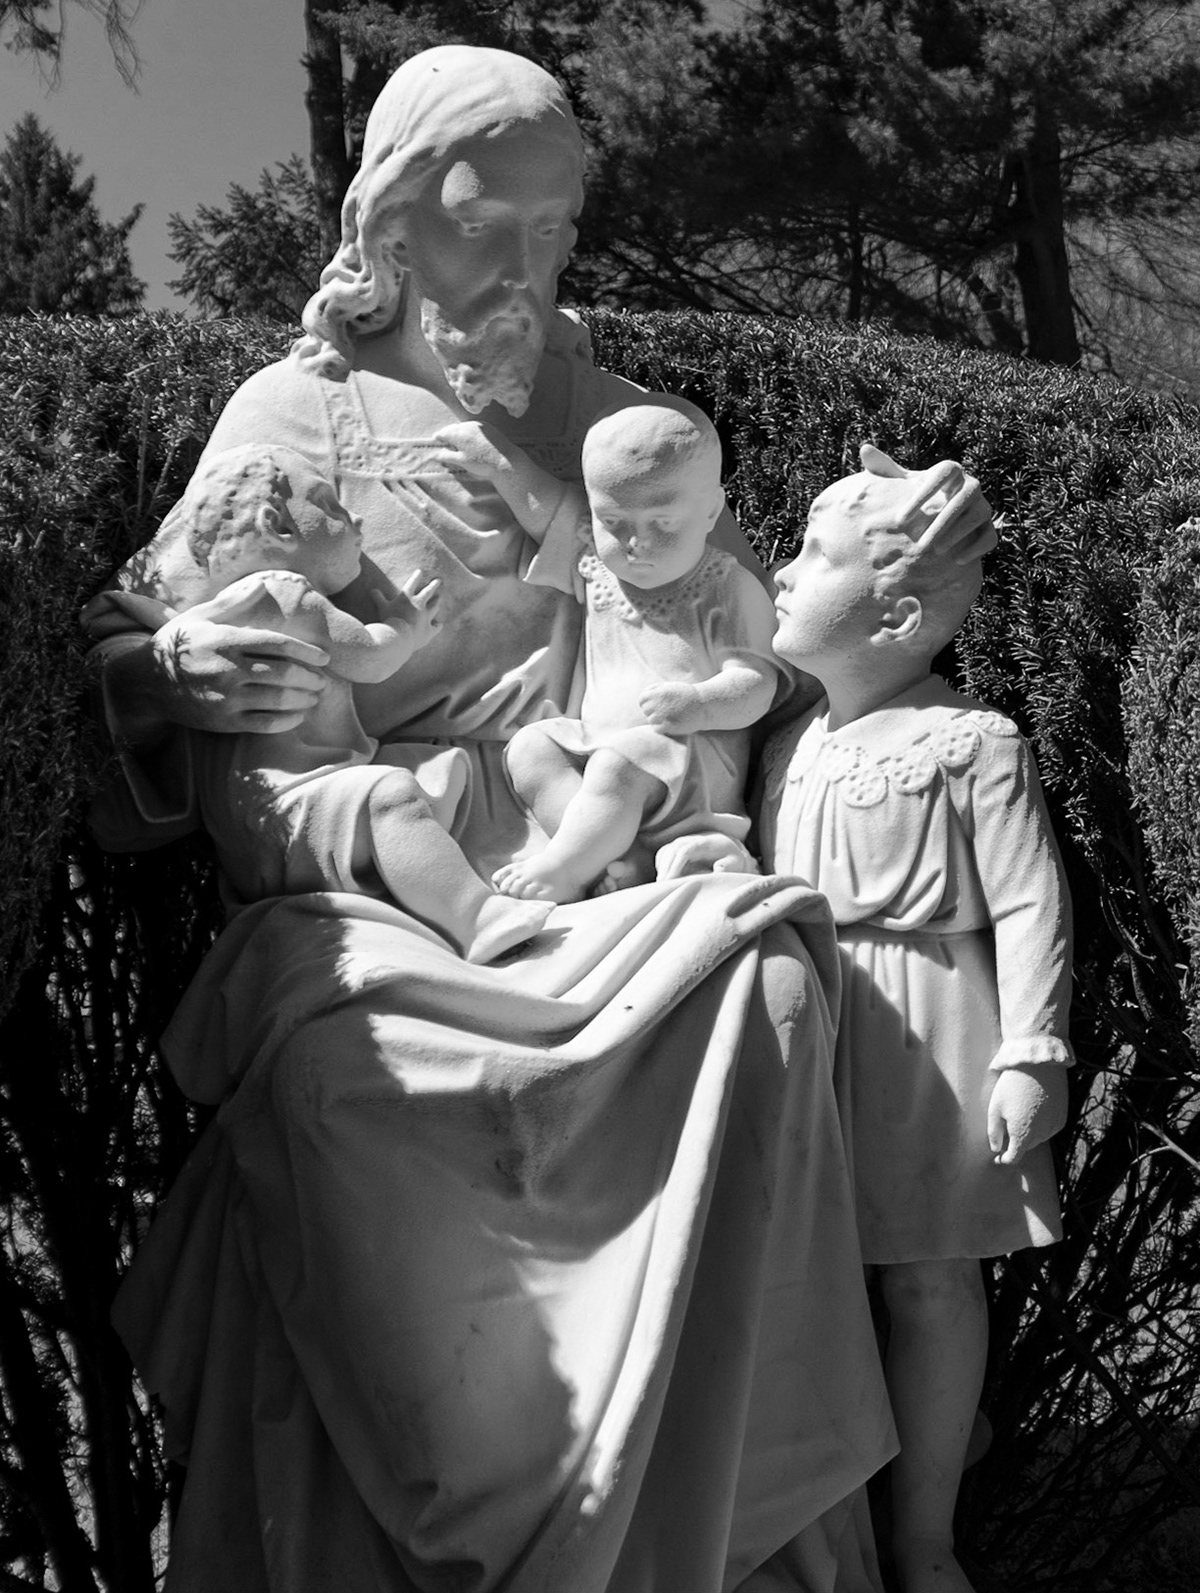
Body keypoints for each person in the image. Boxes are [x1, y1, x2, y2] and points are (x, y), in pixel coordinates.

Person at [85, 45, 988, 1593]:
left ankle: (722, 1548)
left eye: (551, 229)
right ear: (380, 228)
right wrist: (172, 665)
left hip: (601, 855)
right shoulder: (293, 413)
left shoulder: (626, 429)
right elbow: (146, 642)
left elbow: (740, 659)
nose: (516, 270)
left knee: (763, 984)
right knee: (332, 1066)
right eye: (473, 224)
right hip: (369, 885)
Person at [758, 445, 1072, 1593]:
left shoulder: (969, 740)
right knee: (816, 1285)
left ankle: (923, 1537)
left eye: (811, 555)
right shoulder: (789, 746)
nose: (782, 575)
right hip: (804, 1036)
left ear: (893, 613)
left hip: (932, 1036)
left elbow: (1033, 896)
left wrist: (1032, 1051)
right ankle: (834, 1526)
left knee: (929, 1281)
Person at [88, 442, 552, 960]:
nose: (354, 517)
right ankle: (478, 918)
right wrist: (406, 625)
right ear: (278, 526)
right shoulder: (289, 593)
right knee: (392, 795)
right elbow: (370, 658)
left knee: (424, 774)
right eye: (330, 506)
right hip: (299, 801)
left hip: (260, 818)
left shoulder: (231, 605)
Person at [428, 397, 784, 904]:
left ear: (710, 512)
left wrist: (700, 703)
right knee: (532, 749)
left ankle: (567, 869)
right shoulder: (599, 568)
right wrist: (503, 467)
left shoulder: (727, 588)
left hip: (687, 759)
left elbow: (757, 683)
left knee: (619, 763)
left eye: (662, 523)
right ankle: (612, 856)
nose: (636, 542)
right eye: (613, 522)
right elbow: (549, 513)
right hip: (601, 743)